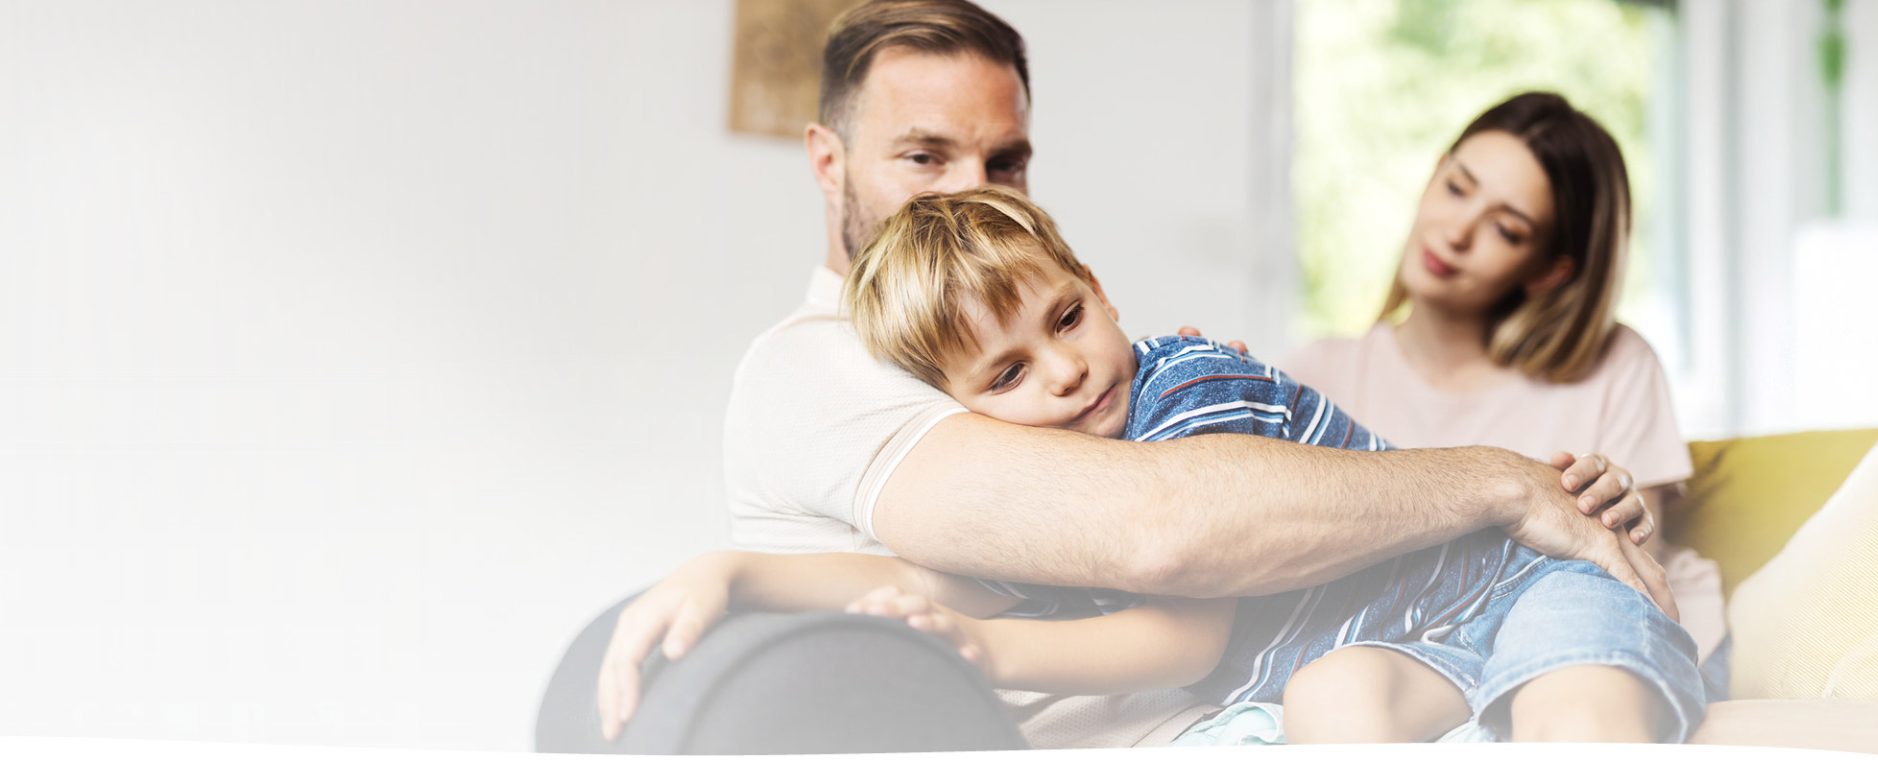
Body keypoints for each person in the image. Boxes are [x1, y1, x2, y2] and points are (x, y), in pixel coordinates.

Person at [596, 0, 1663, 748]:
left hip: (1283, 682)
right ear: (830, 161)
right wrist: (1498, 480)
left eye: (1004, 161)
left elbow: (1008, 571)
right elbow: (1159, 533)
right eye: (924, 157)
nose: (970, 192)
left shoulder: (1094, 380)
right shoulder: (823, 363)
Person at [1282, 91, 1727, 678]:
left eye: (1506, 229)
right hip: (1409, 671)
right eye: (1457, 187)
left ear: (1549, 270)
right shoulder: (1317, 373)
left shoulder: (1616, 365)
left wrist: (1615, 509)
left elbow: (1629, 585)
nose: (1457, 232)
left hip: (1598, 654)